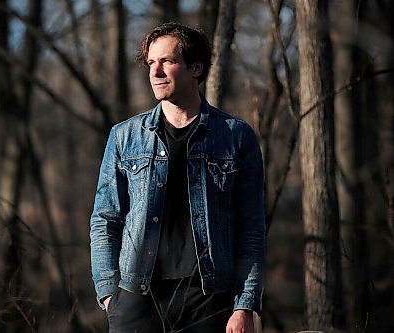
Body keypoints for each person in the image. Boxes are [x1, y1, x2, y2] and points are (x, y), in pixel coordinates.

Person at [90, 22, 265, 333]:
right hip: (136, 296)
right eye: (151, 63)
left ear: (195, 68)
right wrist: (108, 293)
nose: (155, 72)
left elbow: (250, 226)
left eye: (167, 62)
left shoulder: (235, 137)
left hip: (209, 297)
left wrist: (244, 305)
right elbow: (105, 219)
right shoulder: (124, 137)